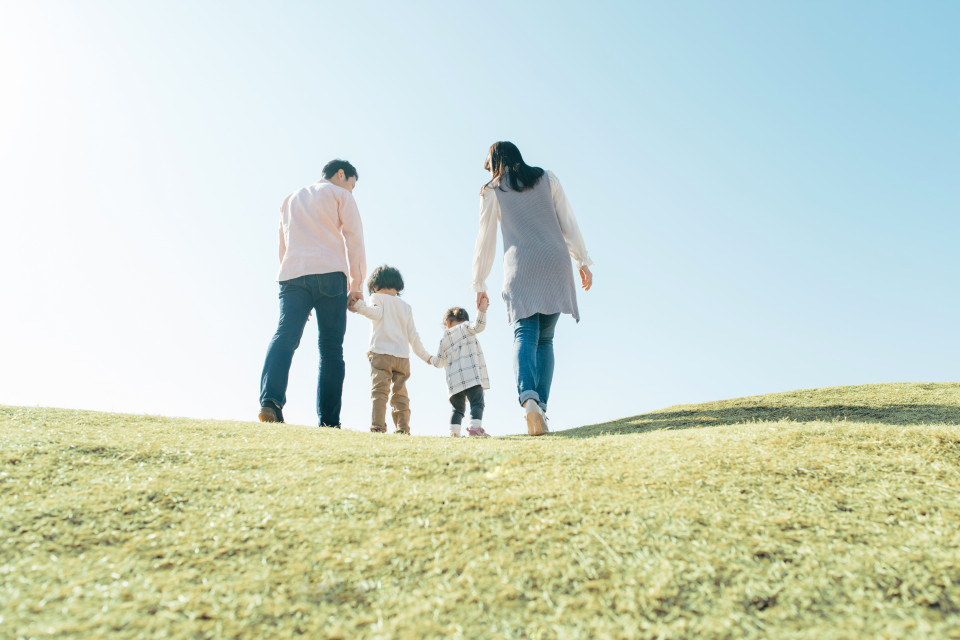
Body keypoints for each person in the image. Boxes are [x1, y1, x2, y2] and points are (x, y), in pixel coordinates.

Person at [472, 141, 593, 436]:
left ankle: (529, 402)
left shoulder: (492, 190)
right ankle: (541, 408)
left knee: (525, 332)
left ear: (495, 162)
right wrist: (583, 260)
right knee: (546, 339)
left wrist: (479, 281)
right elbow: (568, 221)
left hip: (521, 266)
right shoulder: (547, 178)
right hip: (555, 263)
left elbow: (485, 239)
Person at [258, 159, 366, 428]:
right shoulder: (341, 195)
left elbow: (283, 244)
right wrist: (357, 285)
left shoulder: (290, 198)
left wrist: (292, 281)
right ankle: (329, 422)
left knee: (285, 336)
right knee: (331, 349)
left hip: (292, 274)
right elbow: (355, 239)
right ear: (341, 174)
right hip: (330, 273)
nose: (351, 190)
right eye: (352, 185)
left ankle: (270, 401)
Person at [351, 265, 433, 434]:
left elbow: (376, 313)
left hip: (381, 353)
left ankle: (378, 426)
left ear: (374, 286)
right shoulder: (405, 307)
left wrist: (359, 306)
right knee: (400, 394)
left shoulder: (376, 297)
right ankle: (403, 429)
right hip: (402, 357)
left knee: (380, 391)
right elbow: (413, 336)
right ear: (398, 287)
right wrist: (426, 357)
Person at [431, 300, 491, 437]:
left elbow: (438, 362)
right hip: (471, 376)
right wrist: (482, 310)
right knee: (477, 403)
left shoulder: (444, 340)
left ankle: (454, 433)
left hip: (454, 382)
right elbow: (479, 326)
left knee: (457, 409)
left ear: (447, 323)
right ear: (465, 319)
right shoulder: (466, 327)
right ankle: (475, 429)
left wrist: (430, 359)